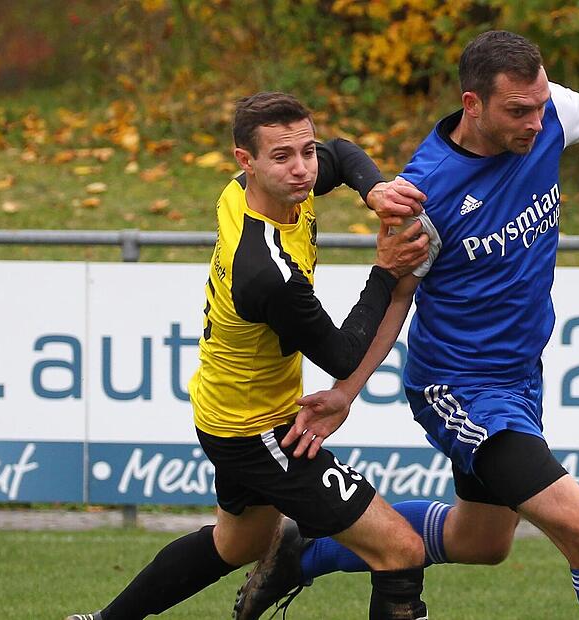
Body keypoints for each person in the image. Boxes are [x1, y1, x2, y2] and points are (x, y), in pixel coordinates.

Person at [240, 31, 579, 620]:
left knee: (482, 541)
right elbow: (397, 294)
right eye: (518, 111)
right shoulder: (424, 194)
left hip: (521, 379)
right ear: (473, 104)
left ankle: (304, 550)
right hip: (460, 388)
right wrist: (346, 392)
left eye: (539, 105)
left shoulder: (549, 111)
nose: (535, 122)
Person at [65, 91, 435, 620]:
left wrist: (374, 189)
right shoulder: (265, 270)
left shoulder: (250, 190)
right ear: (247, 161)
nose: (303, 168)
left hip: (225, 410)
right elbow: (341, 356)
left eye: (306, 150)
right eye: (283, 156)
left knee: (237, 543)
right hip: (256, 430)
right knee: (400, 550)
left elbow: (342, 153)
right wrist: (385, 271)